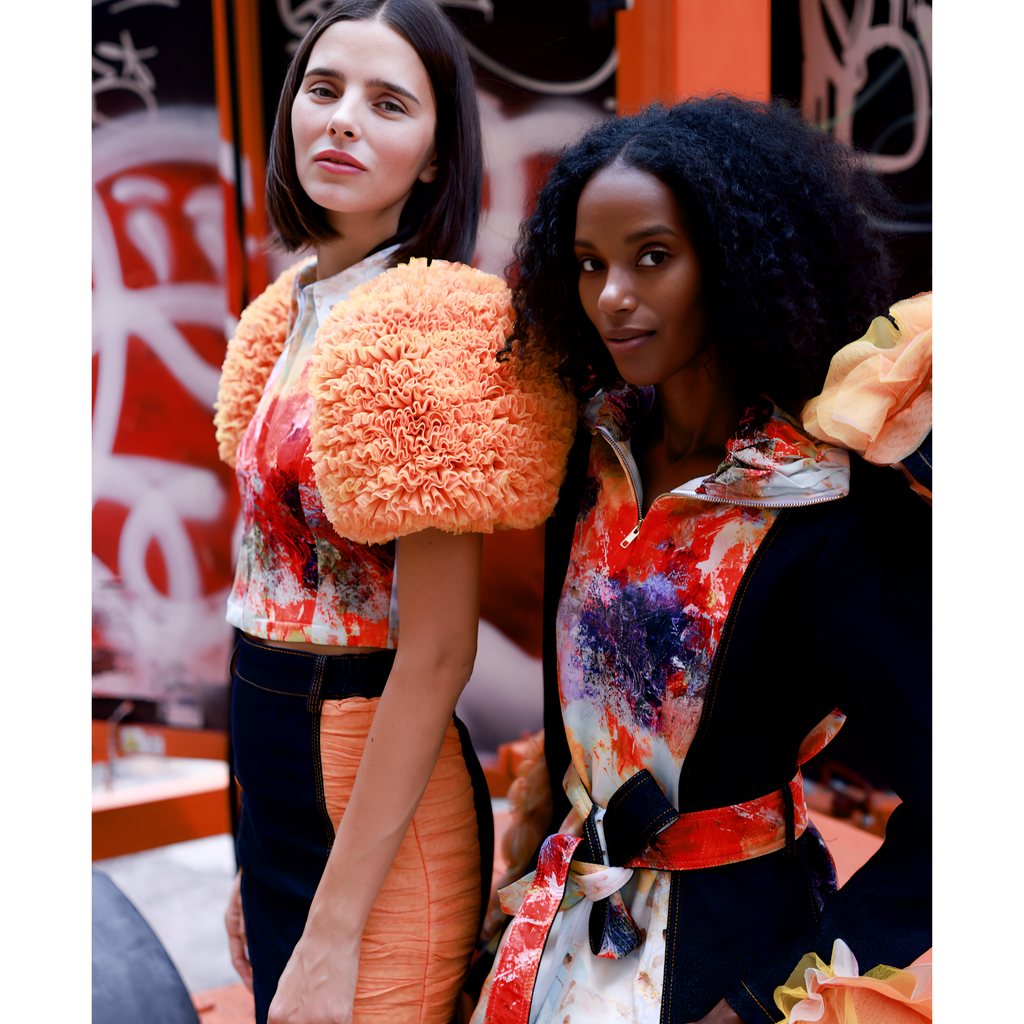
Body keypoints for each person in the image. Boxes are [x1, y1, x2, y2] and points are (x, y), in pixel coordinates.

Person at [471, 98, 932, 1024]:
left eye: (652, 256)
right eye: (589, 264)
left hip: (729, 964)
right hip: (555, 946)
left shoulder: (829, 506)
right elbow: (572, 738)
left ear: (734, 259)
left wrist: (761, 1003)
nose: (612, 295)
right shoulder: (588, 458)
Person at [212, 4, 575, 1023]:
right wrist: (255, 845)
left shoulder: (437, 327)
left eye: (388, 104)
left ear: (436, 156)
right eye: (324, 90)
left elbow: (438, 654)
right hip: (273, 764)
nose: (342, 120)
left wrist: (332, 931)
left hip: (372, 780)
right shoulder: (285, 309)